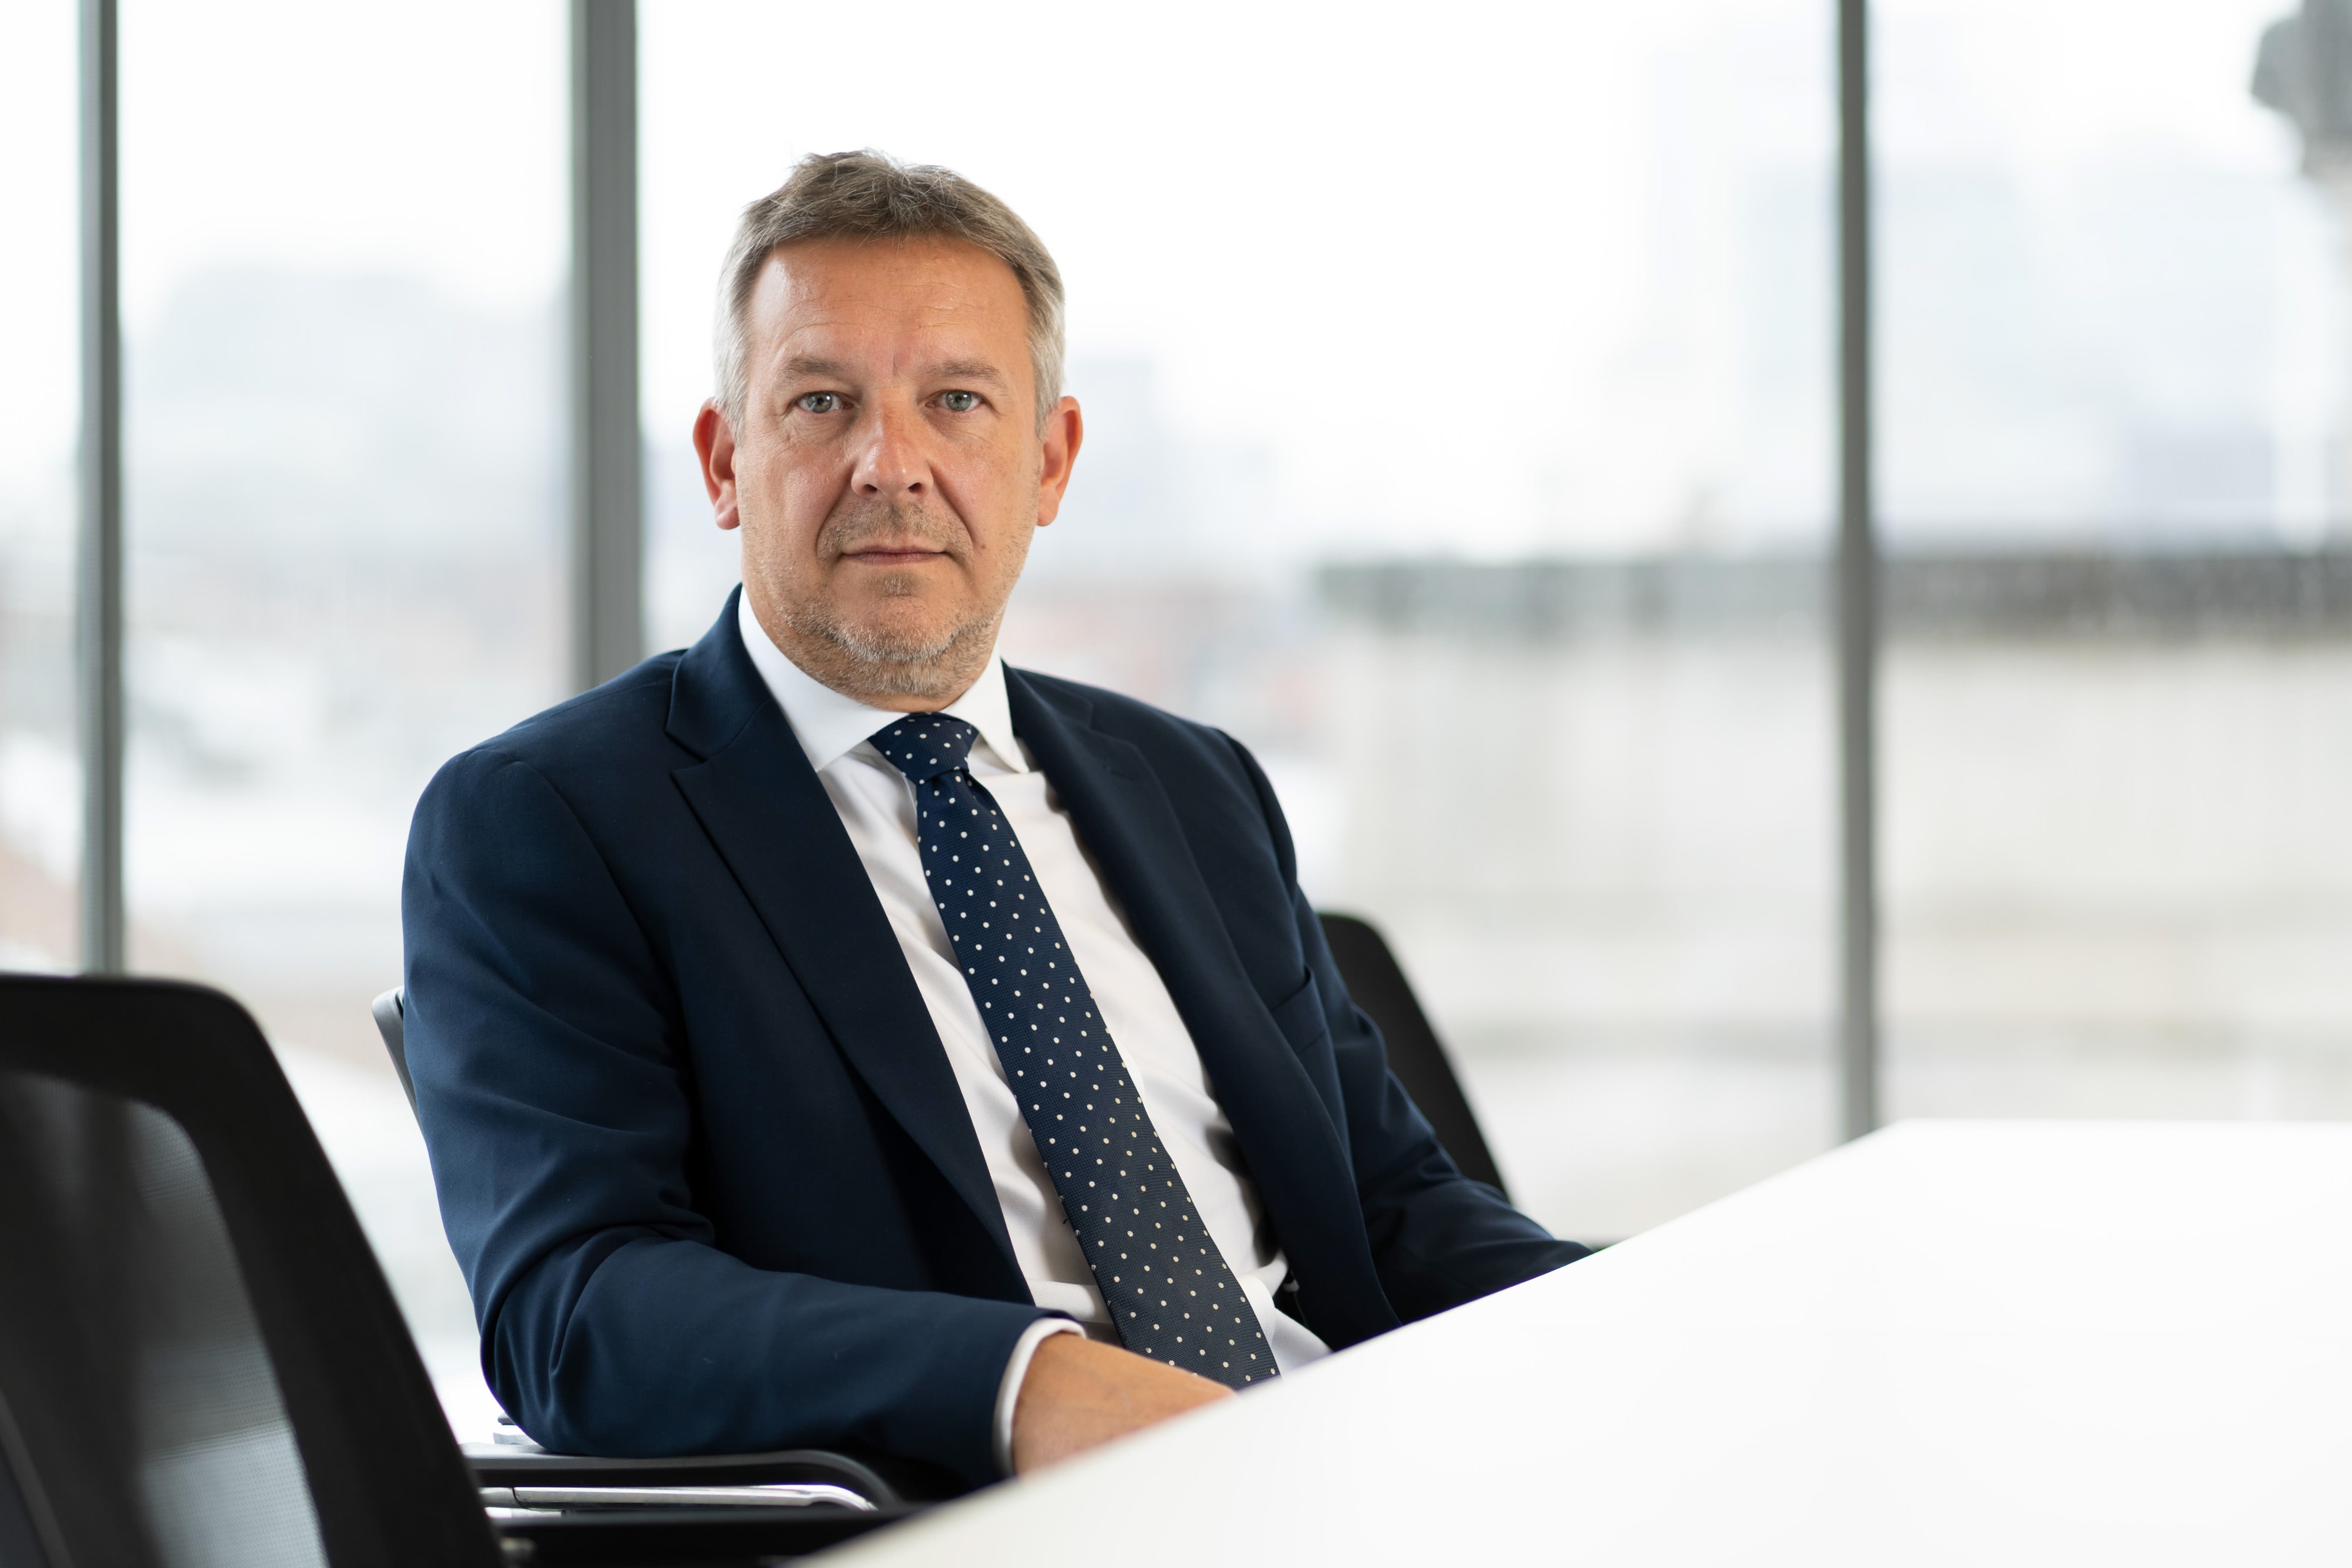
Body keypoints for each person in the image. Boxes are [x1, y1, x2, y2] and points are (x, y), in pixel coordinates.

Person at [402, 149, 1587, 1493]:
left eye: (954, 401)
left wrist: (1671, 1313)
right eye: (819, 402)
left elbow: (1397, 1213)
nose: (887, 464)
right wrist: (1024, 1380)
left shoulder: (1192, 785)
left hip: (1352, 1480)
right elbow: (579, 1309)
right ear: (727, 461)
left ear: (1047, 460)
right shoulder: (547, 821)